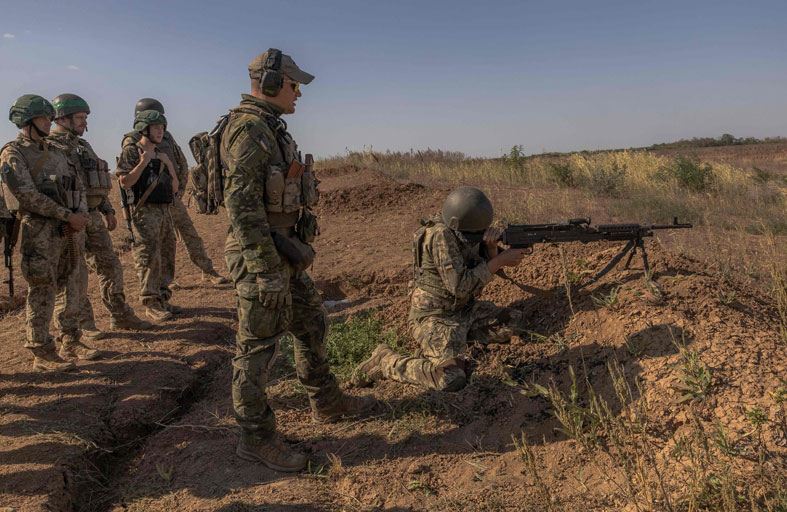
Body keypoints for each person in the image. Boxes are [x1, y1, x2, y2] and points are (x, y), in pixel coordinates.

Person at [221, 49, 375, 472]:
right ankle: (255, 439)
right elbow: (242, 207)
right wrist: (264, 271)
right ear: (271, 83)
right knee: (257, 349)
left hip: (281, 250)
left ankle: (327, 401)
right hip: (261, 256)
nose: (299, 94)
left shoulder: (269, 127)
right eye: (294, 85)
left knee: (311, 322)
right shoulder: (249, 130)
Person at [352, 187, 530, 392]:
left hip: (464, 311)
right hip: (436, 317)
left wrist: (491, 249)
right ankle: (386, 361)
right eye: (479, 230)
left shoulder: (465, 230)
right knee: (450, 378)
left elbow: (477, 266)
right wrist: (499, 261)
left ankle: (453, 343)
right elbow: (460, 287)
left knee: (516, 322)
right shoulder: (440, 236)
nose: (482, 233)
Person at [0, 94, 94, 370]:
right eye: (42, 118)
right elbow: (27, 196)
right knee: (42, 290)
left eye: (49, 118)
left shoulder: (55, 151)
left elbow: (76, 184)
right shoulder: (13, 153)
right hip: (39, 233)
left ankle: (71, 340)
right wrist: (67, 215)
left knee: (72, 284)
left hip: (68, 231)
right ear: (27, 121)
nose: (48, 122)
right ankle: (41, 351)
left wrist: (81, 214)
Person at [49, 94, 152, 337]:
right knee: (76, 273)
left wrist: (108, 210)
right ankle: (84, 324)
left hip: (94, 216)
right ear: (62, 119)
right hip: (72, 219)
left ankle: (120, 315)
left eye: (85, 117)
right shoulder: (51, 148)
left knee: (111, 265)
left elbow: (94, 180)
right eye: (79, 117)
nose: (84, 122)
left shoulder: (83, 146)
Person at [121, 99, 229, 285]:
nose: (159, 126)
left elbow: (182, 161)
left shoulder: (167, 137)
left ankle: (207, 271)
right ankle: (163, 282)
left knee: (189, 233)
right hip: (148, 200)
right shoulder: (131, 141)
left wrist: (181, 187)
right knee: (156, 242)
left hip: (170, 195)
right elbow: (126, 174)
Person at [116, 110, 180, 322]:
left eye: (162, 128)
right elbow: (125, 182)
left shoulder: (161, 153)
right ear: (144, 129)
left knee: (167, 254)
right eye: (156, 128)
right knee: (148, 256)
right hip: (144, 211)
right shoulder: (132, 151)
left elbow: (175, 187)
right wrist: (143, 162)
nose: (160, 132)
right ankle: (151, 302)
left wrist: (168, 164)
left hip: (164, 210)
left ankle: (163, 298)